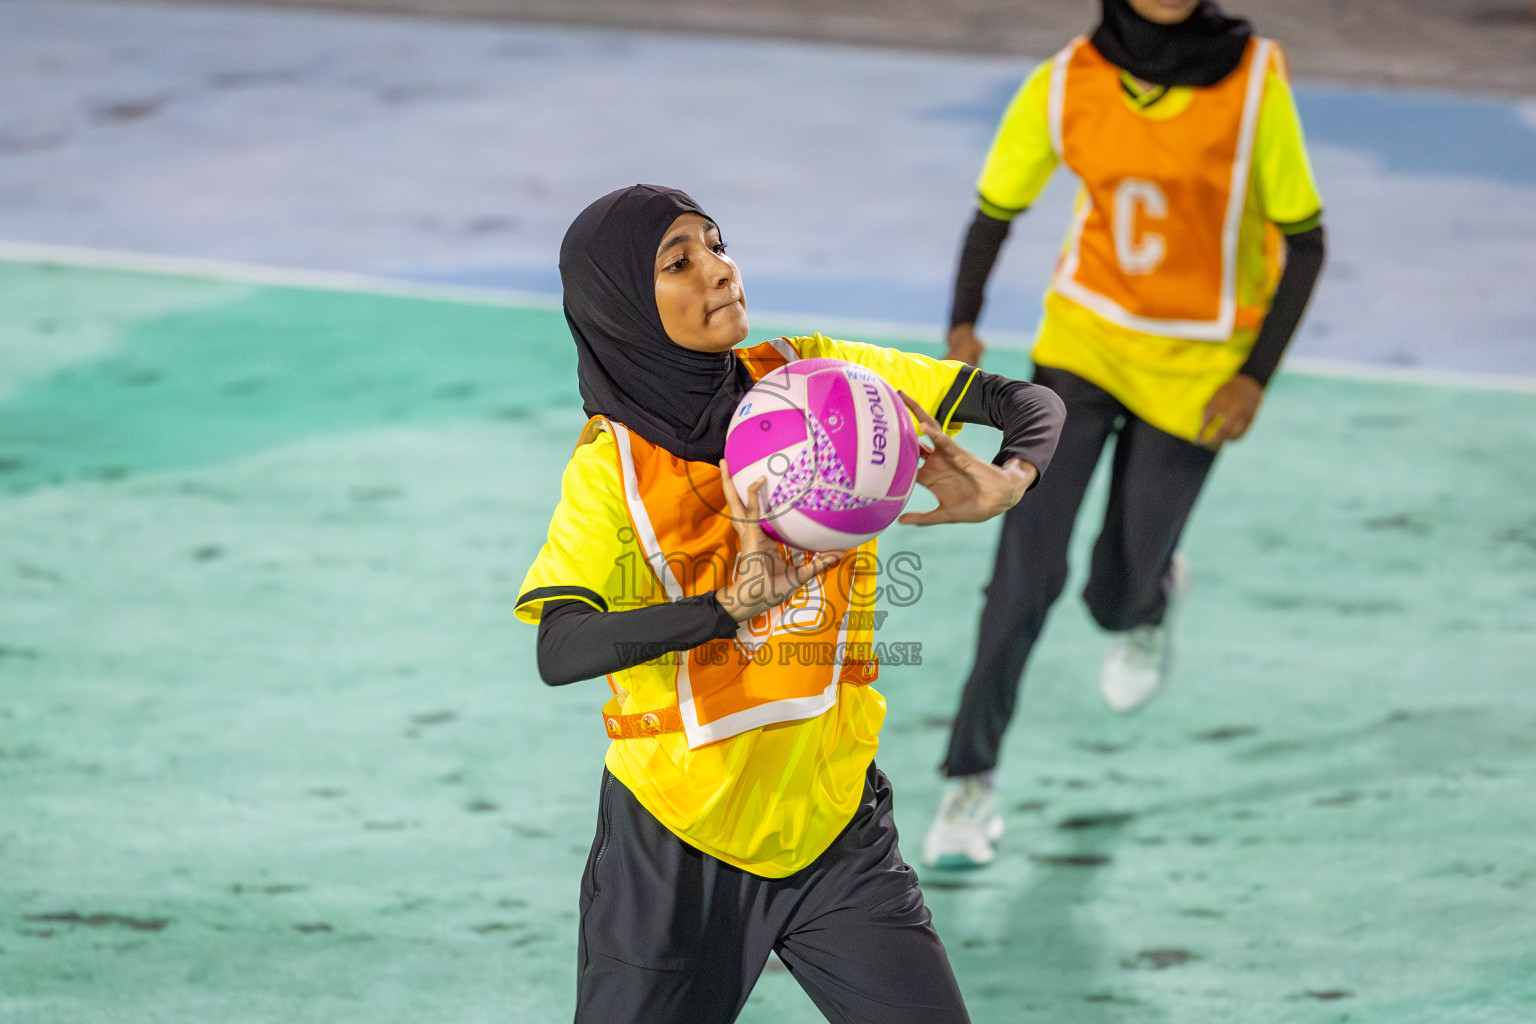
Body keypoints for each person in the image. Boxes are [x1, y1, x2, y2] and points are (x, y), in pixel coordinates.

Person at [515, 184, 1064, 1023]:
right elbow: (562, 649)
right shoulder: (611, 467)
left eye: (717, 242)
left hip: (836, 827)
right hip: (674, 846)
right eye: (679, 261)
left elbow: (1027, 403)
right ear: (621, 304)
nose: (720, 270)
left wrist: (1011, 477)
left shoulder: (824, 382)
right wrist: (724, 608)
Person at [923, 0, 1327, 868]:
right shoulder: (1068, 80)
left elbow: (1307, 241)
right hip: (1084, 345)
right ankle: (968, 782)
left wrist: (1255, 374)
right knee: (1026, 569)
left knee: (1112, 592)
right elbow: (997, 207)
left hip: (1201, 369)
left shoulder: (1256, 80)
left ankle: (1148, 603)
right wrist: (964, 324)